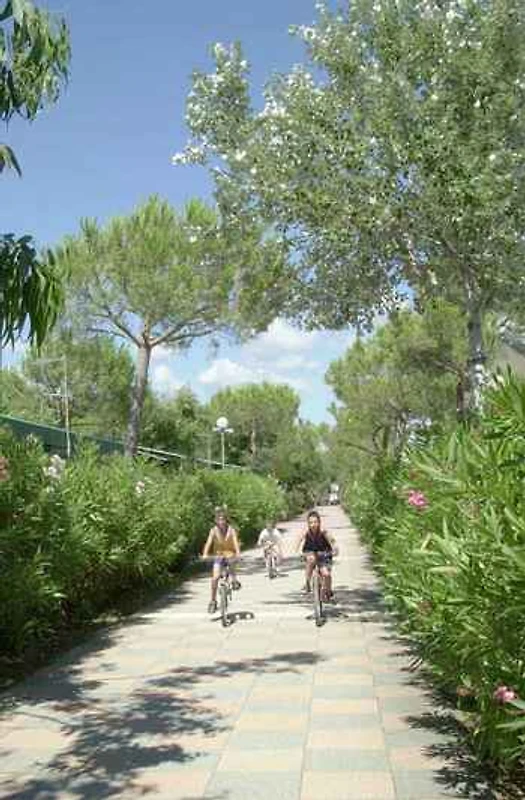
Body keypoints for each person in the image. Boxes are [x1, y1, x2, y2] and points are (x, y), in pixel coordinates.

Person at [202, 507, 241, 614]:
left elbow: (235, 542)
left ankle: (234, 580)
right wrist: (205, 554)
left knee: (231, 561)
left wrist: (238, 553)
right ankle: (213, 601)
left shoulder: (231, 530)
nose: (221, 521)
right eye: (218, 519)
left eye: (223, 519)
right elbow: (208, 542)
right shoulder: (213, 530)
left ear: (226, 519)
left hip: (229, 554)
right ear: (216, 520)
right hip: (218, 556)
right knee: (215, 578)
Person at [296, 509, 337, 602]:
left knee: (326, 574)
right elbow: (299, 539)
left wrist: (335, 549)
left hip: (324, 553)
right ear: (308, 523)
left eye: (315, 522)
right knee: (311, 560)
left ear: (319, 522)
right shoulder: (306, 531)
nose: (313, 525)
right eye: (310, 522)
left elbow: (332, 541)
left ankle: (328, 590)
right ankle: (307, 582)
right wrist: (297, 551)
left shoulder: (323, 531)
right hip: (310, 551)